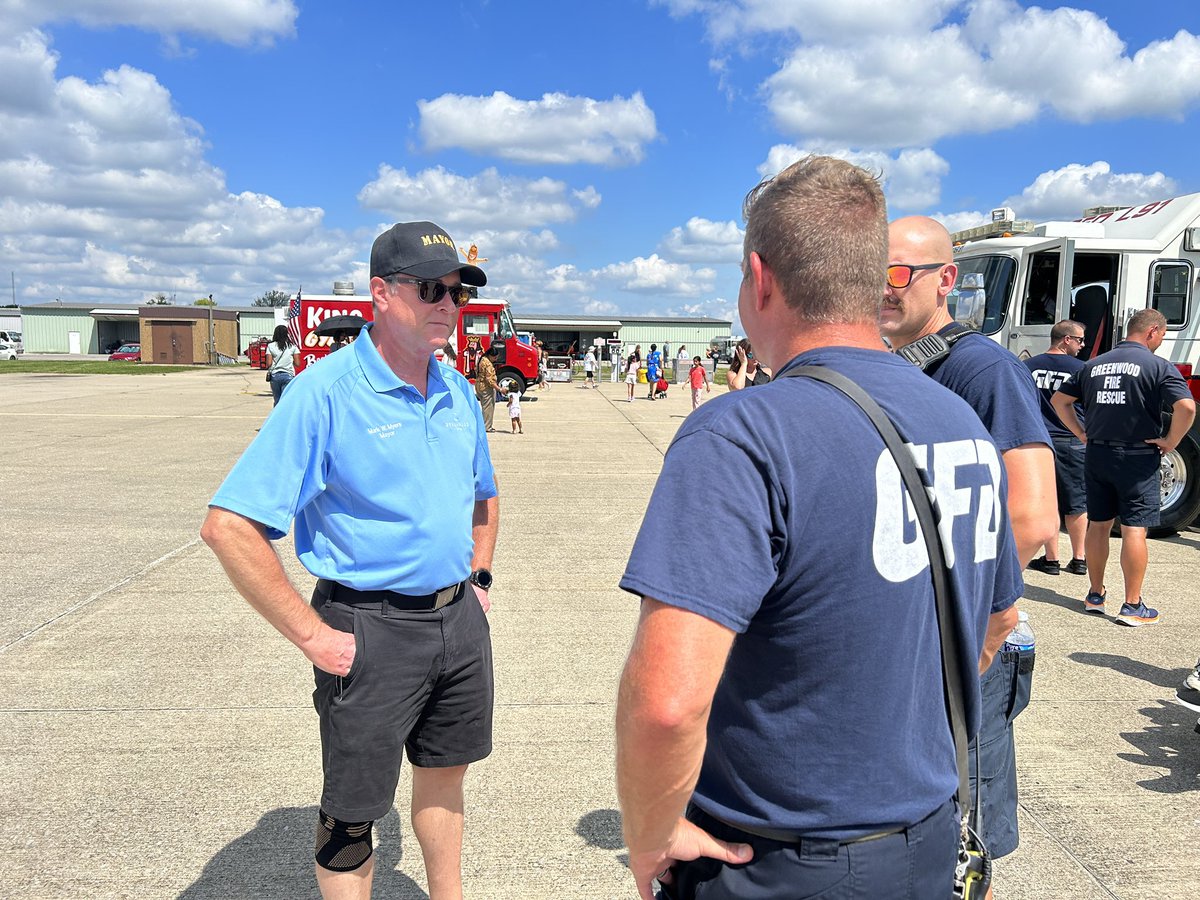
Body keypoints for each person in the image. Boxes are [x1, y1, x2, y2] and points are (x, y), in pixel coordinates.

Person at [616, 155, 1021, 900]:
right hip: (926, 844)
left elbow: (667, 704)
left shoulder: (742, 433)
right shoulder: (961, 421)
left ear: (761, 279)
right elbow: (997, 621)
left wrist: (650, 829)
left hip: (776, 859)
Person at [200, 220, 498, 900]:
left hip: (459, 624)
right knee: (352, 816)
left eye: (458, 293)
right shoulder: (325, 392)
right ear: (381, 295)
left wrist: (479, 580)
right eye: (431, 289)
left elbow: (485, 496)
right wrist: (313, 636)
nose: (448, 306)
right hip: (368, 628)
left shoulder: (456, 393)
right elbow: (229, 526)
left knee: (446, 778)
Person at [883, 215, 1057, 880]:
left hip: (968, 644)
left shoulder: (982, 369)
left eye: (899, 273)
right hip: (915, 642)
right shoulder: (899, 370)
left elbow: (1032, 517)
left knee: (963, 844)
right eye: (874, 274)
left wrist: (966, 628)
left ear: (946, 280)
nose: (884, 289)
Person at [1052, 308, 1196, 625]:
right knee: (1134, 529)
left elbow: (1059, 401)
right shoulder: (1158, 366)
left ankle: (1095, 595)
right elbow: (1186, 406)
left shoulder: (1093, 364)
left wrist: (1080, 433)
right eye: (1162, 336)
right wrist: (1171, 441)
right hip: (1137, 457)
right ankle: (1132, 606)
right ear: (1153, 331)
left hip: (1097, 455)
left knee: (1099, 525)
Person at [1024, 320, 1089, 576]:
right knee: (1077, 502)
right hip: (1073, 440)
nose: (1082, 345)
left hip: (1040, 441)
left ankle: (1051, 560)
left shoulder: (1027, 366)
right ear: (1066, 340)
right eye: (1080, 340)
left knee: (1048, 502)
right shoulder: (1083, 369)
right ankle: (1079, 558)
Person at [266, 324, 297, 406]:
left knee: (277, 400)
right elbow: (298, 363)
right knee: (285, 400)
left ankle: (276, 416)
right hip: (288, 374)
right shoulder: (292, 346)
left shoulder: (270, 346)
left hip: (275, 376)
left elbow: (268, 364)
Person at [475, 344, 499, 433]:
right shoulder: (488, 363)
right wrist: (499, 389)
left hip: (479, 385)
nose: (495, 359)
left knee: (484, 406)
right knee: (488, 408)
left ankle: (485, 425)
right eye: (495, 357)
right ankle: (486, 427)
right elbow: (489, 380)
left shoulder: (481, 360)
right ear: (490, 356)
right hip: (486, 387)